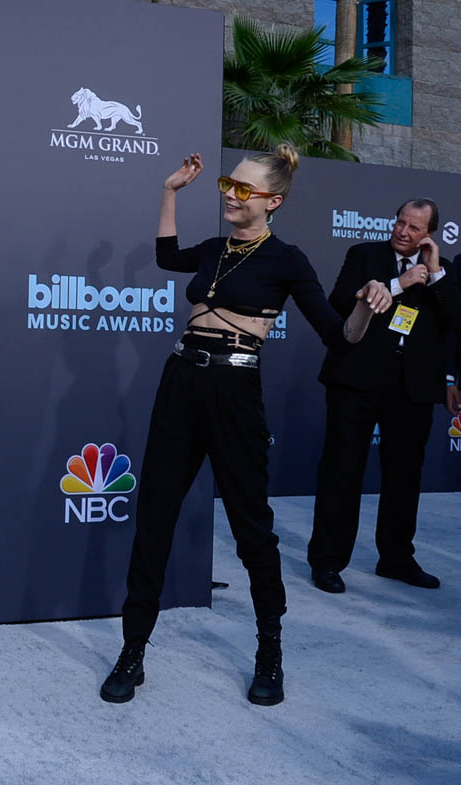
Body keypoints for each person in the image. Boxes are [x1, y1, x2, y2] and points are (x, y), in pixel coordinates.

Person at [99, 146, 392, 707]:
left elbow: (341, 337)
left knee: (252, 530)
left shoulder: (287, 260)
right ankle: (132, 652)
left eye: (244, 189)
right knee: (154, 520)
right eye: (228, 185)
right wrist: (170, 192)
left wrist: (366, 304)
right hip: (180, 384)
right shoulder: (214, 249)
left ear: (273, 201)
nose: (231, 195)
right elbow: (166, 257)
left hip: (234, 392)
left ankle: (269, 655)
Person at [308, 199, 461, 593]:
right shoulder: (364, 255)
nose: (403, 232)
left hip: (412, 389)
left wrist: (435, 272)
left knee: (404, 477)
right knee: (342, 472)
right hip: (356, 381)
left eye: (414, 227)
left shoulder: (442, 270)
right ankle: (327, 561)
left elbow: (455, 320)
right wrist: (398, 284)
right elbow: (338, 304)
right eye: (400, 223)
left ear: (429, 234)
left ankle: (396, 558)